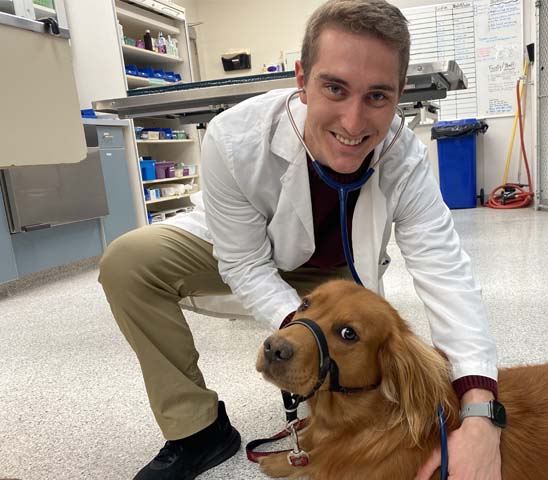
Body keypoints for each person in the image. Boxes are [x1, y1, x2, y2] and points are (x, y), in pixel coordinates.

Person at [98, 1, 502, 479]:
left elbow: (446, 275)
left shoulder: (404, 158)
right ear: (302, 80)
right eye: (335, 88)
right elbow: (245, 264)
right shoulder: (234, 138)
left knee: (355, 389)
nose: (353, 123)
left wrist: (481, 414)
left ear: (399, 96)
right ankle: (197, 430)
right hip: (239, 248)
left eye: (377, 97)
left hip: (335, 279)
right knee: (127, 262)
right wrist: (302, 332)